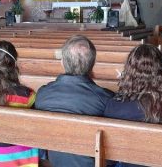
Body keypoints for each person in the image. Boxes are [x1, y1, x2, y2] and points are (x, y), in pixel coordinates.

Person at [35, 35, 115, 167]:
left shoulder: (43, 94)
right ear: (92, 65)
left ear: (62, 62)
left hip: (55, 161)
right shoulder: (106, 99)